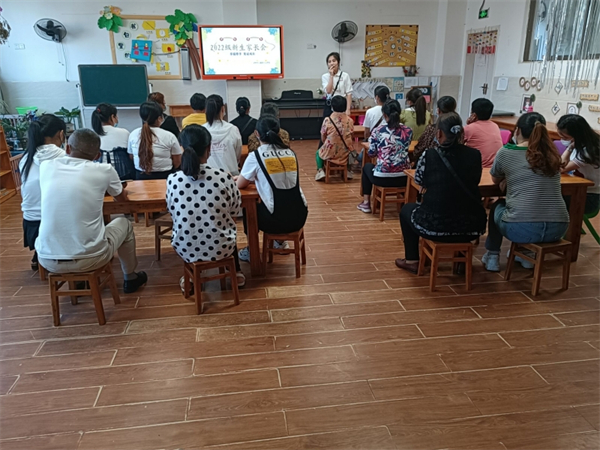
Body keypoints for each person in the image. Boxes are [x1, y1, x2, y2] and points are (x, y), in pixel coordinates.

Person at [35, 129, 147, 293]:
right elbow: (121, 200)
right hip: (91, 257)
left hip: (47, 258)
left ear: (67, 148)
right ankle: (130, 278)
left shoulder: (45, 166)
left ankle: (78, 282)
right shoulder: (104, 170)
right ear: (97, 155)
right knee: (124, 224)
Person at [395, 113, 487, 274]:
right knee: (460, 208)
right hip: (471, 226)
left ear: (439, 133)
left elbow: (419, 180)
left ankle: (412, 260)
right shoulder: (475, 155)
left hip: (435, 225)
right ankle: (460, 263)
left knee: (406, 210)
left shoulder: (430, 155)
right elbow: (475, 180)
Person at [482, 112, 569, 272]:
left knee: (498, 207)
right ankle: (526, 255)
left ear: (518, 131)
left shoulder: (507, 152)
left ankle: (492, 256)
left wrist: (509, 179)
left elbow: (495, 180)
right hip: (559, 228)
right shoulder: (552, 154)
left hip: (521, 228)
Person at [166, 125, 245, 287]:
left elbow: (172, 212)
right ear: (209, 149)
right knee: (227, 228)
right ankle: (235, 273)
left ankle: (192, 277)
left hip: (185, 248)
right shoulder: (223, 178)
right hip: (221, 247)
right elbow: (235, 213)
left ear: (182, 149)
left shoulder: (173, 180)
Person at [236, 115, 308, 261]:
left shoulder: (255, 155)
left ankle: (252, 251)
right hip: (300, 215)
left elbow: (240, 185)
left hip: (275, 221)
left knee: (249, 209)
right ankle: (280, 243)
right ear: (279, 132)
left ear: (257, 134)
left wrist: (245, 178)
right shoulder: (291, 153)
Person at [19, 114, 66, 271]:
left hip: (31, 224)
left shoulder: (25, 158)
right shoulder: (63, 157)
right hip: (54, 226)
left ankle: (41, 252)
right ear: (61, 134)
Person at [357, 100, 412, 213]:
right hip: (404, 177)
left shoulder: (378, 131)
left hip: (382, 178)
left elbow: (371, 153)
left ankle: (366, 203)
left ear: (385, 115)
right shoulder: (408, 131)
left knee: (367, 167)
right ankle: (402, 203)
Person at [557, 114, 600, 215]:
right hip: (576, 190)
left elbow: (562, 168)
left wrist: (571, 146)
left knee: (549, 201)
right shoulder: (577, 143)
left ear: (577, 135)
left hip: (588, 197)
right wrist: (570, 147)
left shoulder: (590, 150)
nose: (563, 139)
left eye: (566, 137)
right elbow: (561, 163)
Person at [128, 102, 182, 180]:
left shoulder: (133, 134)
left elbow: (131, 156)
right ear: (160, 118)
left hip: (140, 177)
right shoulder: (169, 136)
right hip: (165, 177)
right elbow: (177, 161)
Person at [315, 95, 354, 181]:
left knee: (318, 153)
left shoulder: (327, 120)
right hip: (345, 152)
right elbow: (351, 134)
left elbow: (323, 136)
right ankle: (348, 170)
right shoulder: (350, 120)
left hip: (330, 152)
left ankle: (320, 171)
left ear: (332, 107)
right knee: (350, 149)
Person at [202, 94, 242, 176]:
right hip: (231, 174)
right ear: (223, 109)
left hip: (209, 175)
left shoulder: (202, 130)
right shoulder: (233, 129)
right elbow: (237, 154)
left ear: (206, 110)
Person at [91, 103, 134, 180]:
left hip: (99, 178)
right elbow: (131, 156)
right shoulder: (124, 132)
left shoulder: (91, 135)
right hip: (124, 177)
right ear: (112, 117)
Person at [413, 96, 456, 163]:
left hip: (432, 163)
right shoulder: (458, 130)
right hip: (454, 163)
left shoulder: (431, 129)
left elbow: (420, 148)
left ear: (438, 110)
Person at [464, 98, 503, 168]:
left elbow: (456, 145)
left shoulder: (470, 128)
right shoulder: (495, 126)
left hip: (478, 168)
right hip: (495, 168)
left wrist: (468, 125)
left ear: (474, 114)